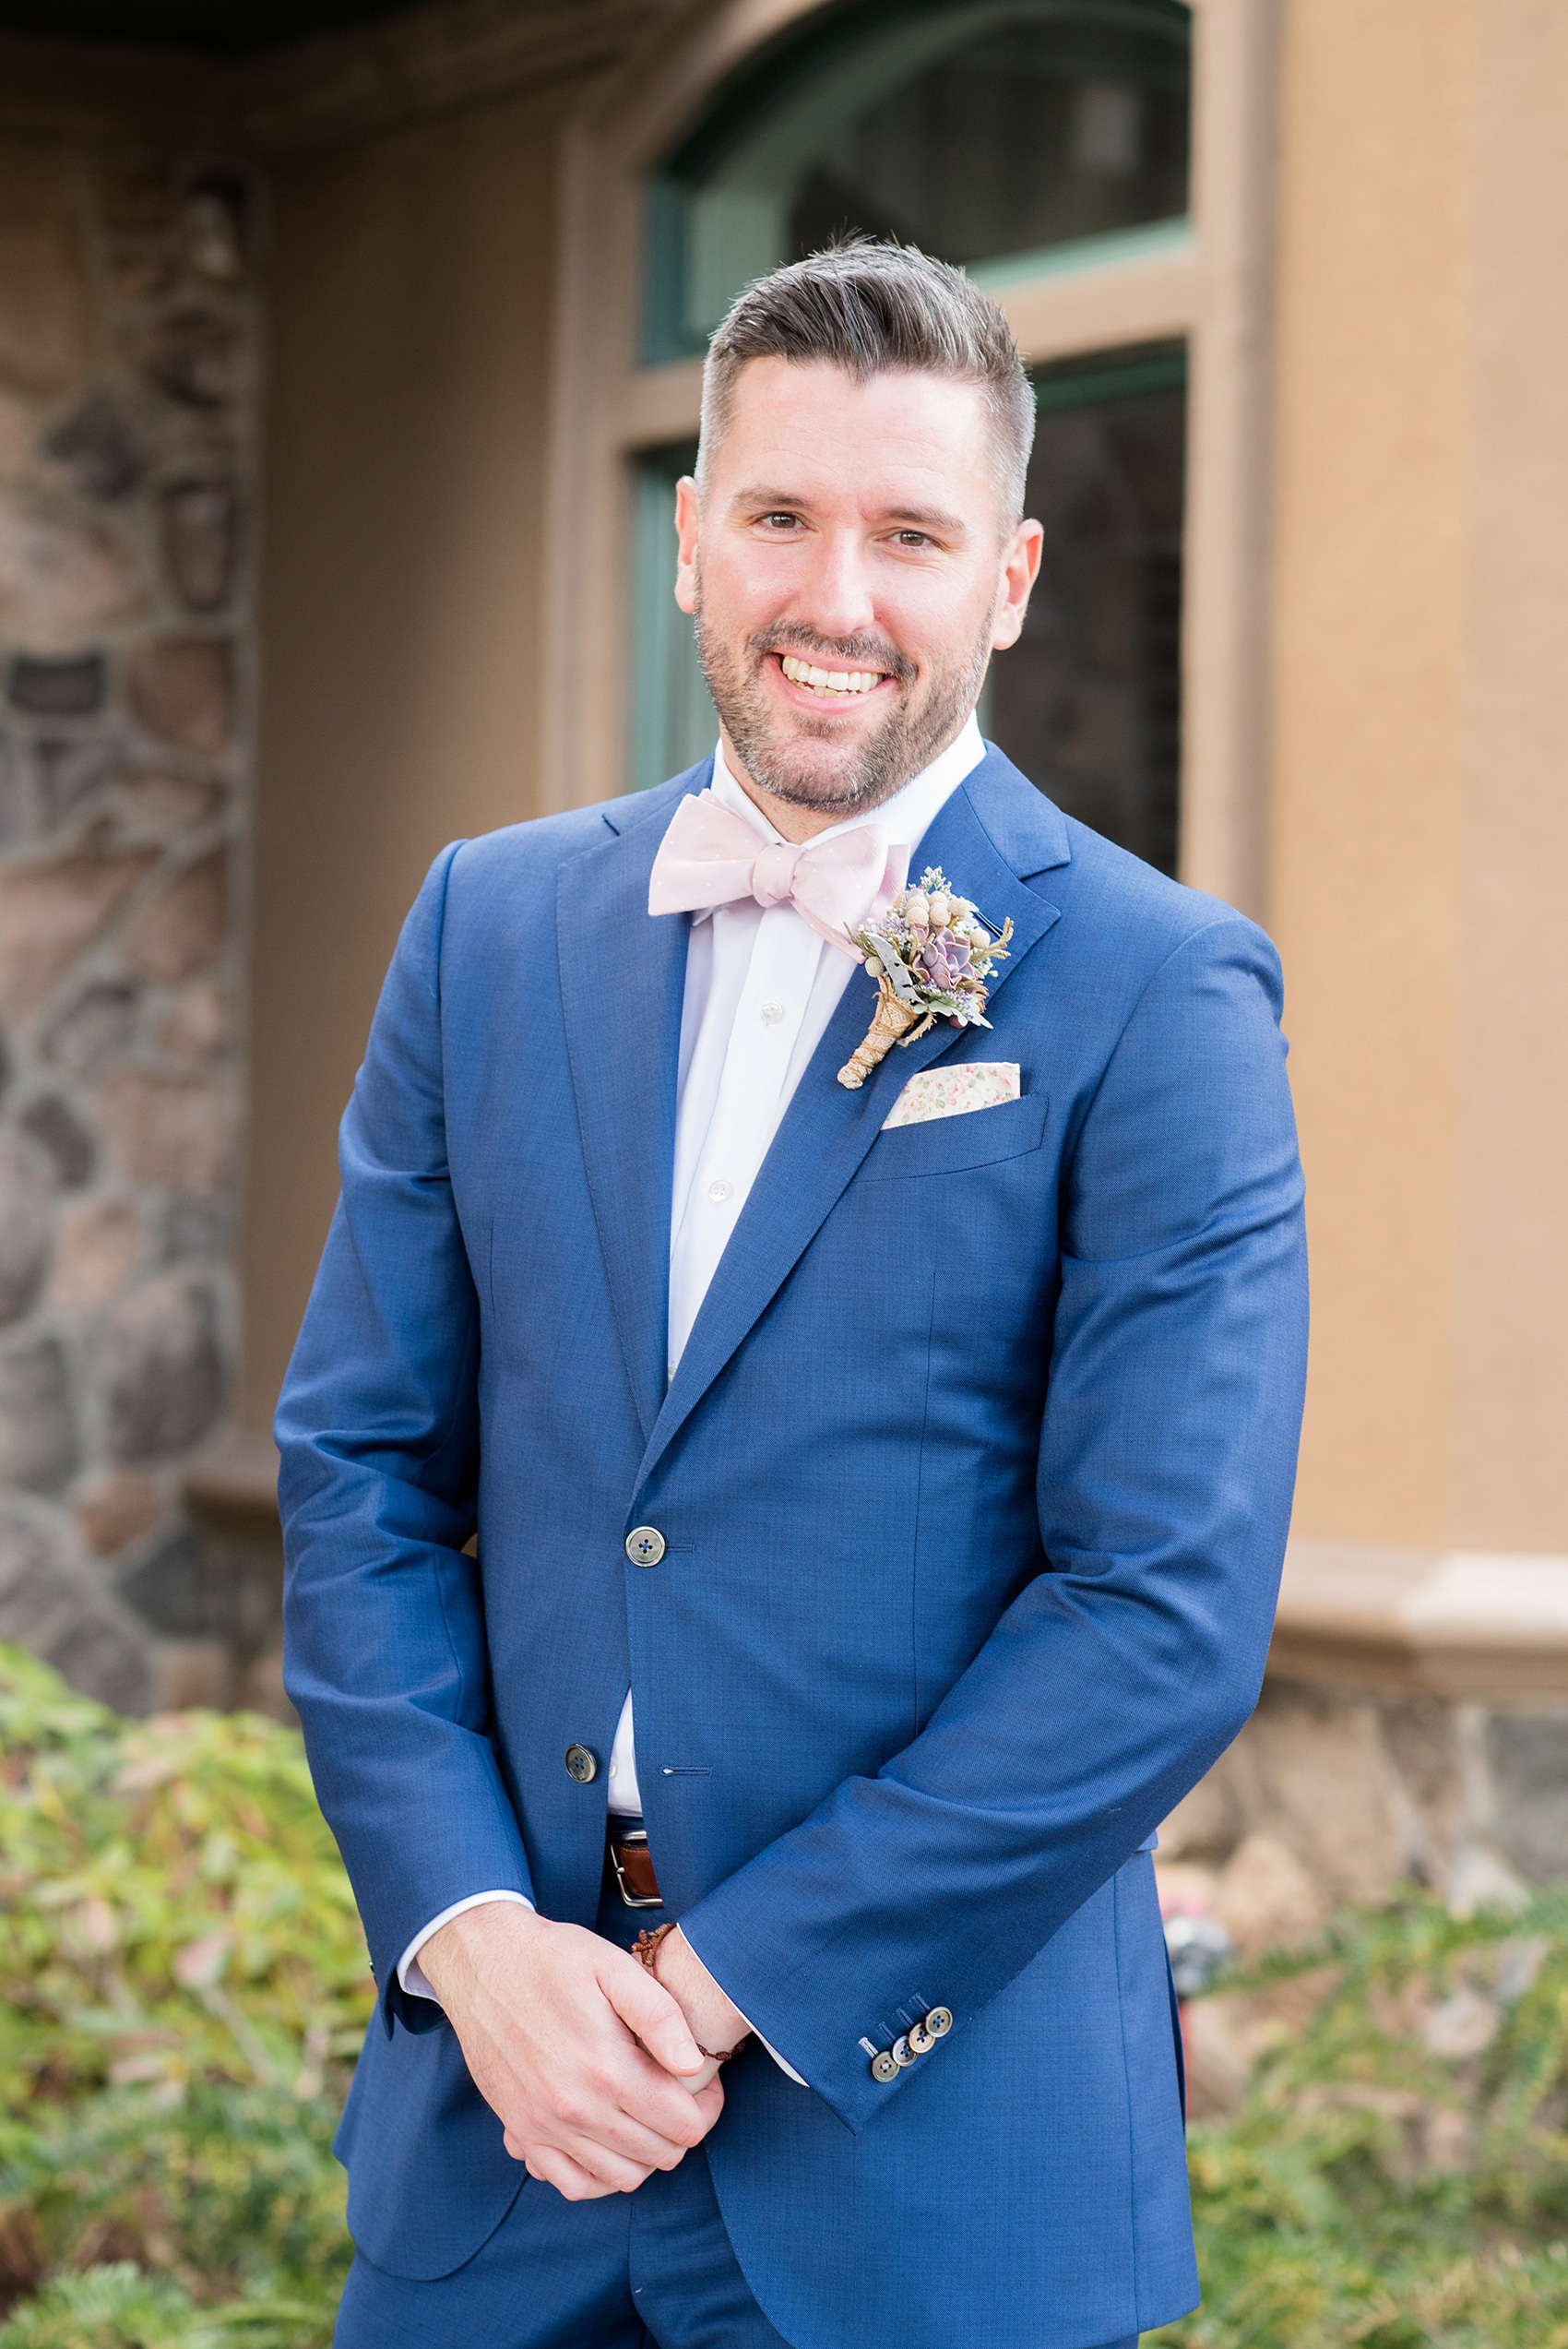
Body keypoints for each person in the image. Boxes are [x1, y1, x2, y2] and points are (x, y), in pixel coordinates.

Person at [278, 238, 1309, 2349]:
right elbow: (361, 1464)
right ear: (689, 541)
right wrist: (473, 1938)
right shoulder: (487, 927)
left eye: (909, 534)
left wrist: (722, 1980)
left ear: (1005, 576)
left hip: (930, 2173)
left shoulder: (1154, 988)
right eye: (781, 517)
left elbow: (1159, 1615)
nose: (836, 597)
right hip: (506, 2128)